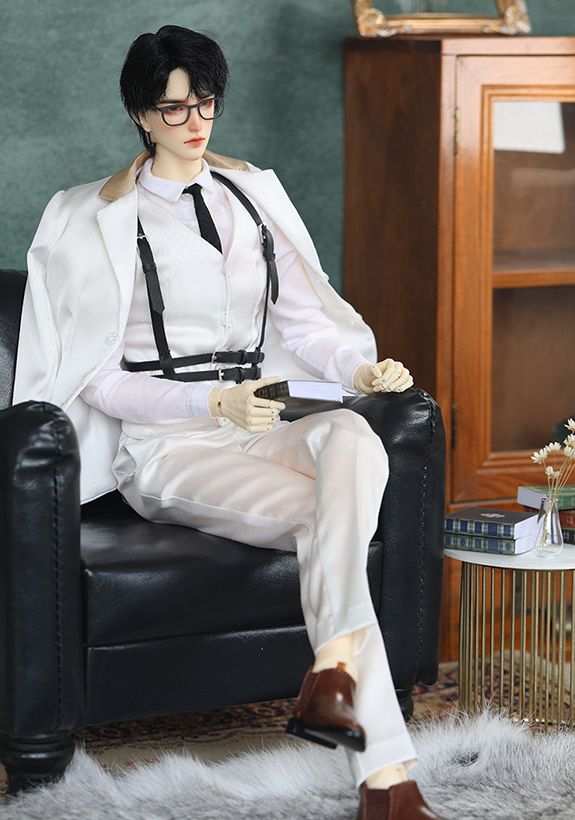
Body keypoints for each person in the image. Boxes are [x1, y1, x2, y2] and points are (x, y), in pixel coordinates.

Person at [13, 25, 440, 820]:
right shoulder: (91, 218)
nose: (194, 121)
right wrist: (207, 402)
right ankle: (386, 778)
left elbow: (304, 320)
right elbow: (95, 377)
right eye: (173, 108)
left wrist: (358, 371)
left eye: (204, 101)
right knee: (336, 519)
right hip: (167, 447)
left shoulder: (252, 195)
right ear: (140, 114)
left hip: (265, 417)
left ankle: (334, 673)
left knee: (352, 435)